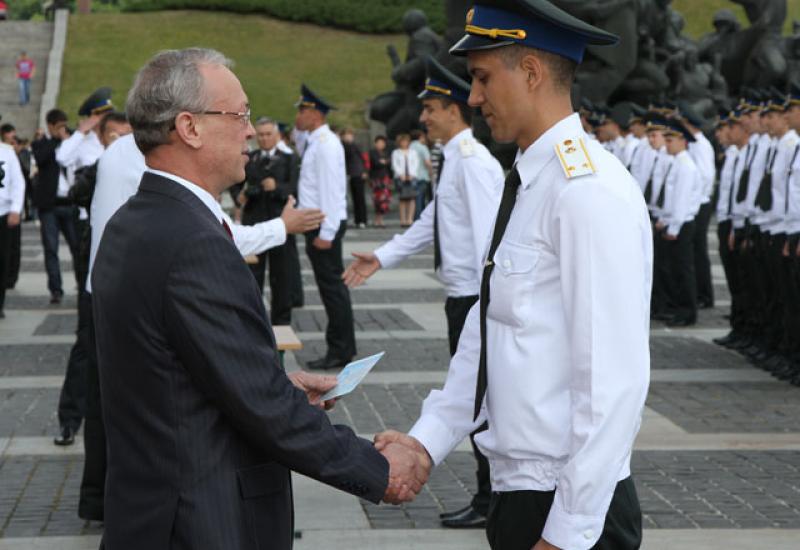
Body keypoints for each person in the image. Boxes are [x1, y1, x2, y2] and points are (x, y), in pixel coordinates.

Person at [91, 48, 430, 548]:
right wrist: (378, 469)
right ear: (190, 127)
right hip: (201, 521)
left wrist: (277, 383)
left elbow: (176, 379)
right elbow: (262, 409)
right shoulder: (194, 242)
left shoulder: (133, 221)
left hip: (151, 512)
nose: (251, 130)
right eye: (240, 114)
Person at [373, 2, 650, 549]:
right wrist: (427, 439)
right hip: (519, 496)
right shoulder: (532, 179)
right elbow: (489, 329)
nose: (473, 98)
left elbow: (613, 383)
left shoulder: (586, 190)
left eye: (481, 78)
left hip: (567, 506)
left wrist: (568, 533)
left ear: (531, 73)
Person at [344, 56, 504, 529]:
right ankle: (488, 493)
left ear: (454, 110)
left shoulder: (473, 164)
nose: (423, 117)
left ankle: (490, 495)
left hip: (475, 298)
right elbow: (432, 221)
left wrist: (483, 304)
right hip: (463, 296)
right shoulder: (455, 159)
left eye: (431, 108)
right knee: (476, 400)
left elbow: (487, 242)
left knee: (482, 402)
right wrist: (384, 256)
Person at [54, 110, 132, 450]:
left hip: (129, 271)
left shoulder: (139, 162)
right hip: (95, 264)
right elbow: (77, 190)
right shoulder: (101, 164)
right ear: (102, 137)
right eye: (115, 135)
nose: (122, 141)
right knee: (86, 346)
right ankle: (70, 420)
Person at [295, 84, 357, 370]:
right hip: (317, 224)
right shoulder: (314, 141)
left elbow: (332, 191)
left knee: (333, 290)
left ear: (315, 114)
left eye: (302, 110)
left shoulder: (326, 144)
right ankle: (342, 346)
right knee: (330, 289)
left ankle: (341, 349)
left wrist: (327, 233)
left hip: (323, 226)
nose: (298, 115)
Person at [239, 117, 305, 324]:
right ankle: (252, 323)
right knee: (251, 278)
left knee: (282, 277)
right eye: (261, 135)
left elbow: (295, 189)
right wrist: (243, 194)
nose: (265, 138)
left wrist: (276, 188)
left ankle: (281, 322)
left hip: (282, 224)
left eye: (268, 134)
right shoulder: (251, 157)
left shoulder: (289, 158)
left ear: (277, 135)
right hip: (254, 223)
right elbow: (237, 185)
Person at [655, 118, 702, 327]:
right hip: (675, 223)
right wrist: (665, 220)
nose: (667, 144)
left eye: (671, 139)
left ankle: (688, 311)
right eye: (666, 139)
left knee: (683, 270)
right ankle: (679, 309)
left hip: (683, 225)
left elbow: (681, 201)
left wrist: (673, 227)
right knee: (674, 269)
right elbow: (670, 198)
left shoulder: (686, 165)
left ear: (683, 140)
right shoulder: (677, 162)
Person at [31, 109, 80, 305]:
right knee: (51, 249)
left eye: (65, 125)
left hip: (70, 203)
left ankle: (81, 282)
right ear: (50, 126)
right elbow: (41, 159)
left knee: (77, 247)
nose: (63, 129)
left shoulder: (73, 142)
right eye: (59, 126)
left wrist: (68, 141)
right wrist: (55, 140)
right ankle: (56, 289)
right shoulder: (41, 144)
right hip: (49, 206)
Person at [0, 125, 25, 319]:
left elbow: (18, 182)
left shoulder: (7, 153)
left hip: (4, 212)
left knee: (2, 260)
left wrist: (16, 209)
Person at [342, 128, 369, 228]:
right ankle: (357, 219)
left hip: (358, 173)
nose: (348, 137)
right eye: (346, 135)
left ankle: (362, 219)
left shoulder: (355, 146)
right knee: (353, 197)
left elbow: (363, 159)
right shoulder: (343, 146)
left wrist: (364, 171)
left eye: (349, 135)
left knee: (360, 197)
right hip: (350, 173)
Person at [391, 133, 420, 227]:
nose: (404, 143)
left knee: (411, 198)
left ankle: (410, 219)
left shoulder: (413, 152)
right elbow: (394, 165)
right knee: (402, 199)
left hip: (412, 176)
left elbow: (416, 164)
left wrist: (412, 174)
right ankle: (402, 220)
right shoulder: (396, 152)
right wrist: (400, 174)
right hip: (401, 177)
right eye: (402, 141)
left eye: (406, 141)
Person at [368, 135, 392, 227]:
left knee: (384, 199)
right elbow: (375, 162)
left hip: (385, 178)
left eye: (382, 143)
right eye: (379, 143)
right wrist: (383, 162)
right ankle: (376, 219)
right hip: (376, 178)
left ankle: (381, 219)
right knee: (376, 199)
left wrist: (383, 162)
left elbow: (388, 162)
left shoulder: (386, 153)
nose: (381, 144)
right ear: (375, 143)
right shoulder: (372, 152)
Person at [410, 129, 433, 220]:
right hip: (422, 175)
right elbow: (427, 162)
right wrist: (431, 172)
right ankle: (419, 218)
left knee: (413, 198)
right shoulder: (422, 147)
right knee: (420, 198)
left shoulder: (409, 146)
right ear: (421, 137)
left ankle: (412, 217)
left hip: (411, 176)